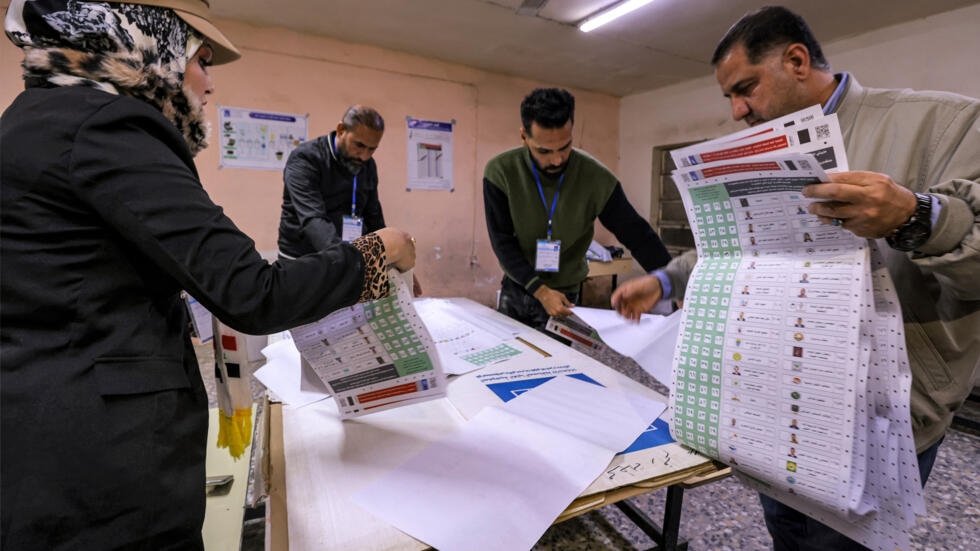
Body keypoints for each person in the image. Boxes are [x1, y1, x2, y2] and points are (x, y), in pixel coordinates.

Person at [0, 1, 417, 549]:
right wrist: (378, 251)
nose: (210, 82)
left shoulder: (37, 118)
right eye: (201, 59)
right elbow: (252, 292)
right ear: (150, 45)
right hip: (101, 466)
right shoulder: (106, 125)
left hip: (45, 434)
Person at [613, 6, 979, 550]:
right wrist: (665, 281)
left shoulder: (944, 125)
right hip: (772, 401)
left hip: (878, 418)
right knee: (787, 533)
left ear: (797, 61)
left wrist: (915, 217)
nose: (737, 110)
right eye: (729, 97)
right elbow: (742, 248)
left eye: (746, 89)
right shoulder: (770, 147)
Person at [483, 87, 670, 330]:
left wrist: (674, 283)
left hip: (566, 294)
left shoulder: (596, 178)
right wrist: (540, 290)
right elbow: (502, 241)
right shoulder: (500, 172)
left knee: (559, 354)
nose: (557, 160)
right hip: (518, 287)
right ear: (524, 136)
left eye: (565, 147)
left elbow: (637, 234)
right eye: (544, 151)